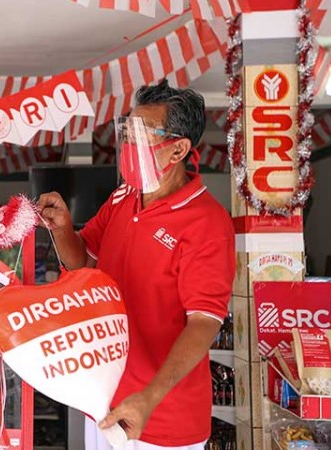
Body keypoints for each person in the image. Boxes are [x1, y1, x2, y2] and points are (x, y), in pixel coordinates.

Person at [37, 79, 235, 450]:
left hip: (162, 420)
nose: (130, 146)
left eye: (143, 136)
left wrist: (149, 397)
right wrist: (63, 227)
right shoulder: (123, 198)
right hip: (104, 402)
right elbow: (83, 259)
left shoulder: (207, 223)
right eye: (128, 132)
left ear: (178, 149)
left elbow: (205, 322)